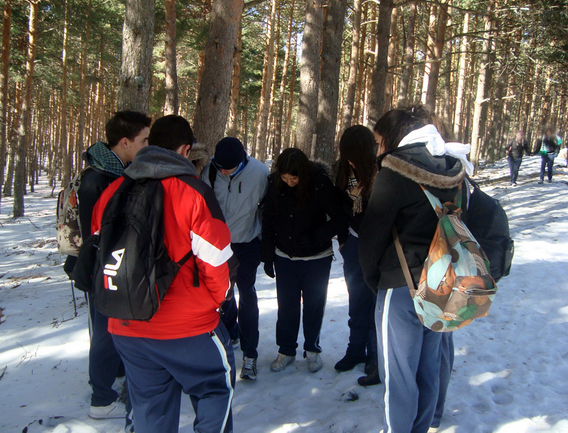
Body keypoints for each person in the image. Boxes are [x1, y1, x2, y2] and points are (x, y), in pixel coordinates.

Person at [91, 115, 235, 433]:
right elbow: (216, 261)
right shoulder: (193, 192)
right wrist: (215, 303)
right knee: (214, 391)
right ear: (185, 149)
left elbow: (101, 250)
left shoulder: (113, 190)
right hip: (188, 328)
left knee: (149, 411)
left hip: (128, 326)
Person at [359, 105, 474, 433]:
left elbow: (371, 239)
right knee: (428, 368)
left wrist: (374, 281)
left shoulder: (393, 173)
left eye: (379, 140)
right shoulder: (455, 168)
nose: (378, 147)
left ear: (394, 137)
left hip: (401, 285)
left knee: (398, 373)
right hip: (444, 281)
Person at [65, 110, 151, 419]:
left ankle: (114, 376)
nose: (147, 145)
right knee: (103, 331)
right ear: (125, 142)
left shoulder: (116, 172)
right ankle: (101, 400)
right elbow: (94, 236)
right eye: (144, 140)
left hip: (112, 265)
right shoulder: (96, 180)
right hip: (99, 268)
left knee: (113, 329)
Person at [261, 148, 349, 373]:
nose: (289, 182)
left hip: (316, 258)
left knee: (313, 305)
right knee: (287, 307)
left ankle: (312, 350)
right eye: (284, 178)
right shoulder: (273, 184)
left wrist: (315, 236)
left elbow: (340, 218)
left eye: (294, 178)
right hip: (285, 257)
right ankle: (286, 350)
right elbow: (268, 220)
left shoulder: (320, 185)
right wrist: (268, 255)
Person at [201, 137, 269, 381]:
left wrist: (267, 245)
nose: (224, 171)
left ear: (243, 160)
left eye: (229, 167)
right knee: (221, 293)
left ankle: (250, 355)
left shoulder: (260, 173)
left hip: (247, 244)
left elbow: (267, 209)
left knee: (246, 293)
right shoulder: (208, 171)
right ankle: (231, 332)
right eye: (221, 167)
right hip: (217, 245)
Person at [333, 125, 379, 387]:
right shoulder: (343, 169)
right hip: (352, 243)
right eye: (346, 155)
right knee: (356, 301)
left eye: (353, 155)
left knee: (374, 303)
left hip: (377, 247)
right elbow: (338, 206)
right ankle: (355, 351)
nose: (349, 160)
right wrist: (342, 239)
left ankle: (374, 356)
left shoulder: (381, 169)